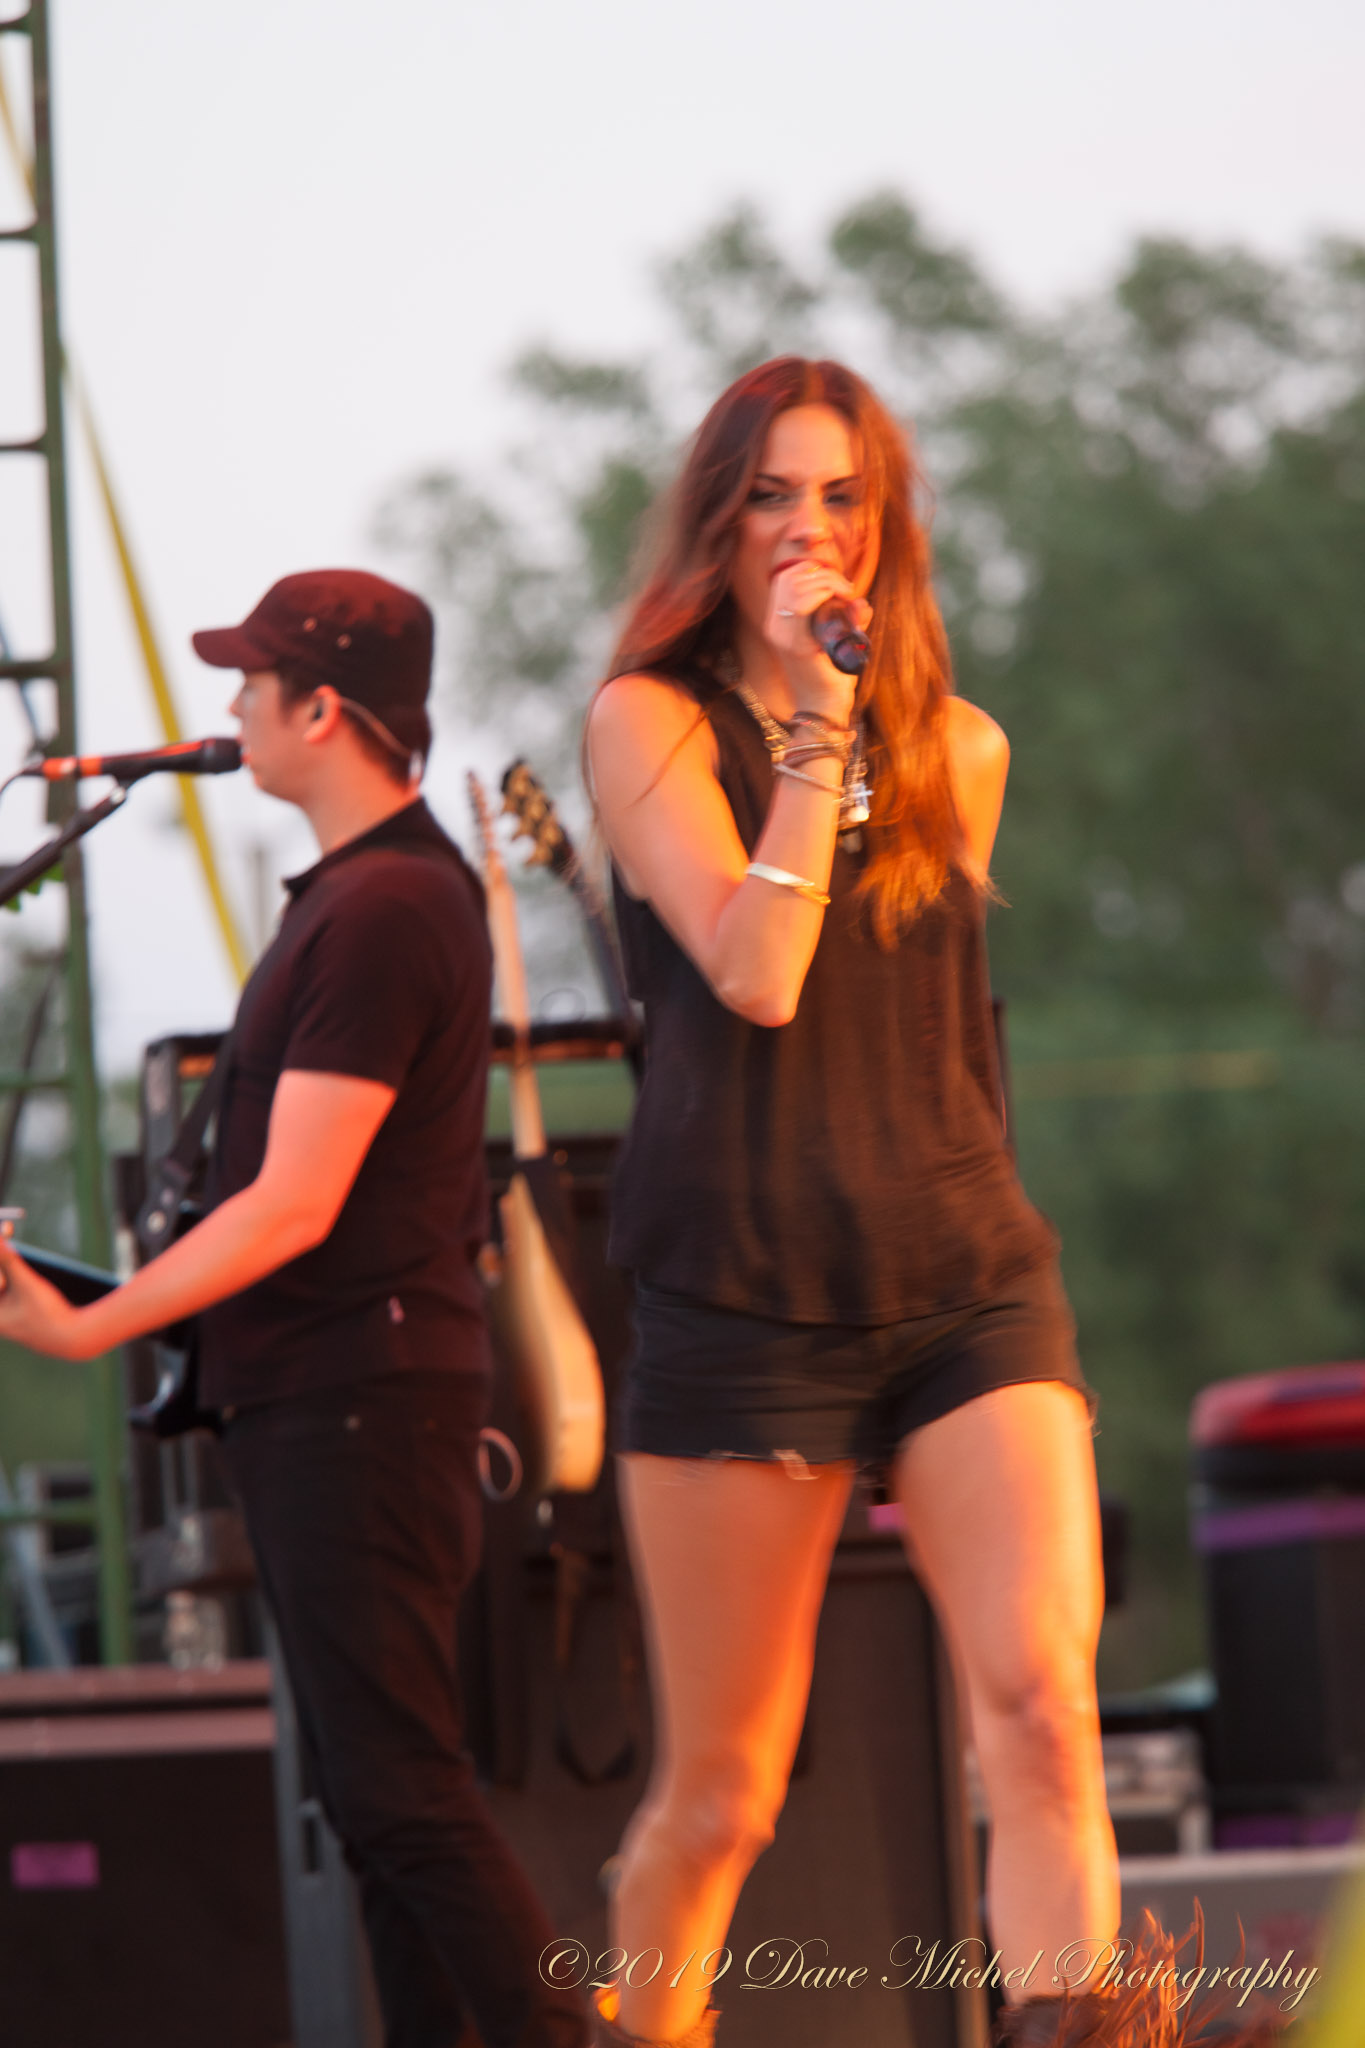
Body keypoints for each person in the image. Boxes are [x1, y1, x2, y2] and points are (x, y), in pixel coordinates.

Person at [584, 360, 1119, 2048]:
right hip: (743, 1292)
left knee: (1041, 1712)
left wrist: (857, 724)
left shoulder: (959, 747)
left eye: (839, 497)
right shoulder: (647, 725)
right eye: (768, 496)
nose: (804, 528)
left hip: (966, 1279)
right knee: (723, 1798)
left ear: (883, 529)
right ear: (718, 521)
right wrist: (817, 728)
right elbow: (755, 972)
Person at [0, 568, 589, 2048]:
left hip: (359, 1405)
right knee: (376, 1802)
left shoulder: (387, 907)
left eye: (251, 683)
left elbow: (296, 1204)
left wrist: (91, 1325)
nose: (231, 709)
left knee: (403, 1795)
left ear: (321, 711)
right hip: (330, 1397)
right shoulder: (365, 896)